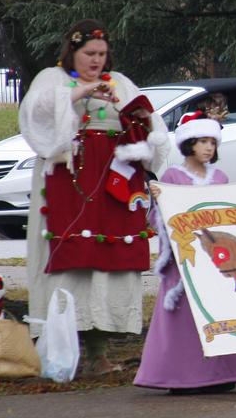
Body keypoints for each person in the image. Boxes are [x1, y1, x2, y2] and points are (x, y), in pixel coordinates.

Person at [20, 19, 171, 376]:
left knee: (107, 262)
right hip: (67, 185)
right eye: (89, 53)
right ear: (72, 51)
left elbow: (154, 129)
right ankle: (59, 353)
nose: (96, 61)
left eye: (102, 54)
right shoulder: (52, 79)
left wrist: (143, 125)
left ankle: (97, 353)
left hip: (112, 185)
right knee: (71, 261)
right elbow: (34, 116)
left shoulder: (120, 83)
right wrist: (80, 94)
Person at [134, 112, 236, 393]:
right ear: (188, 143)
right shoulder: (172, 176)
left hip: (216, 261)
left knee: (218, 313)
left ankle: (221, 373)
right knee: (185, 319)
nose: (209, 147)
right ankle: (184, 376)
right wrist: (160, 203)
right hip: (185, 261)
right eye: (203, 141)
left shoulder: (220, 177)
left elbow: (229, 214)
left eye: (213, 142)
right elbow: (161, 220)